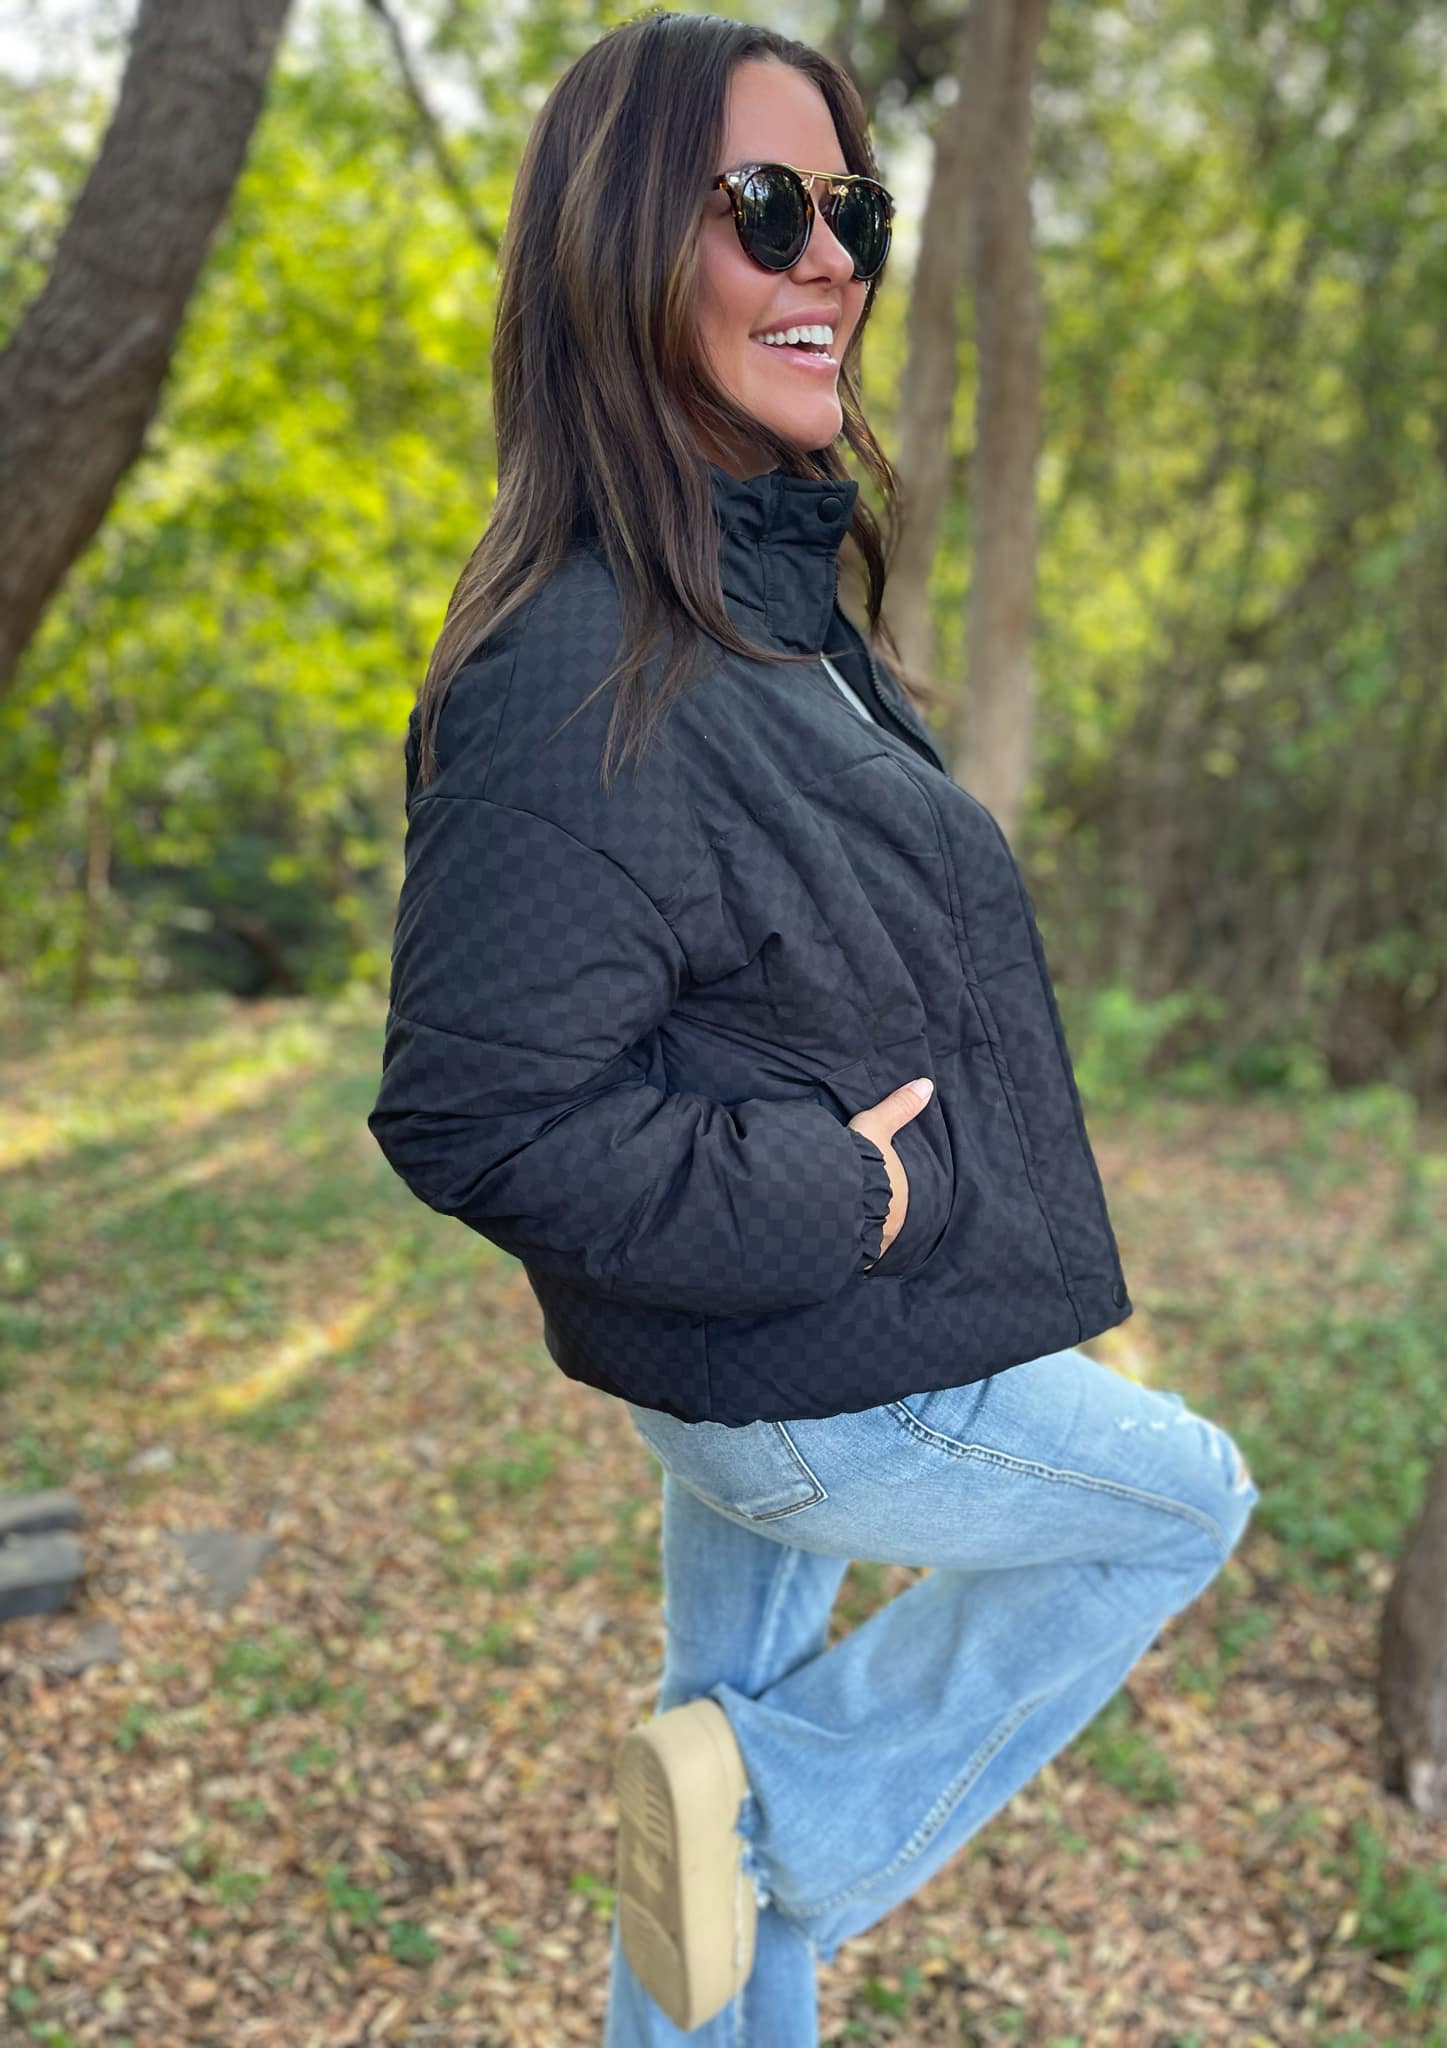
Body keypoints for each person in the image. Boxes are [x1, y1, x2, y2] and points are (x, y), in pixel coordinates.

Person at [367, 11, 1260, 2042]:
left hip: (784, 1328)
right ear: (616, 247)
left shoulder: (760, 603)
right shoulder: (580, 661)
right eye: (765, 207)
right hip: (817, 1357)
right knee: (1182, 1500)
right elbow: (478, 1114)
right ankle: (775, 1807)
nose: (834, 256)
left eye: (853, 208)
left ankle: (729, 1819)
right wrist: (846, 1199)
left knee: (710, 1760)